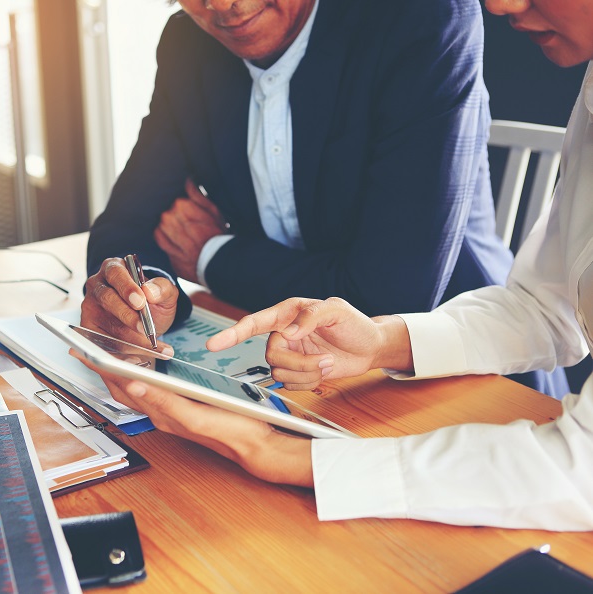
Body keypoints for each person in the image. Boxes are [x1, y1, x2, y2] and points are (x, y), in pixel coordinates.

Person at [88, 0, 593, 531]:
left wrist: (269, 449)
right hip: (361, 376)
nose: (500, 4)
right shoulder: (589, 86)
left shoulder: (419, 20)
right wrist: (382, 341)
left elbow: (579, 472)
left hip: (482, 402)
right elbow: (548, 307)